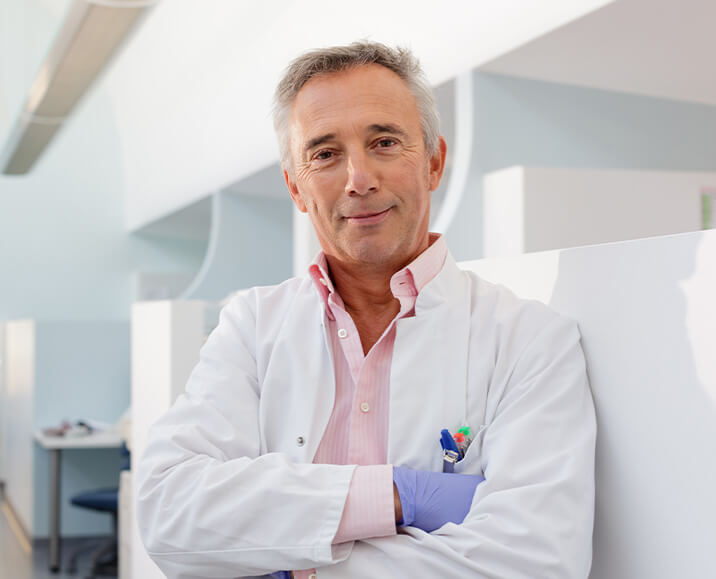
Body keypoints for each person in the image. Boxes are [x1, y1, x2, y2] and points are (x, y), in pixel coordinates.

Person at [136, 41, 596, 578]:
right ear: (296, 188)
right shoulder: (251, 326)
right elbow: (170, 513)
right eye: (325, 154)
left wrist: (291, 563)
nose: (359, 180)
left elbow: (533, 561)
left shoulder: (529, 340)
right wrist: (395, 495)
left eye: (384, 142)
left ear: (433, 162)